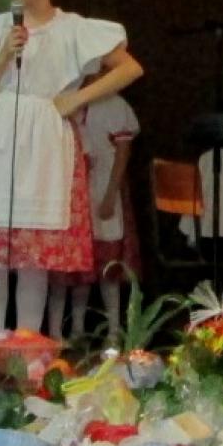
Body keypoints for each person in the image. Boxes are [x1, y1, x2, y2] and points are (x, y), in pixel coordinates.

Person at [0, 0, 143, 337]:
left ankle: (27, 349)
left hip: (45, 137)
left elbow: (130, 68)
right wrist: (4, 54)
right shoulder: (0, 26)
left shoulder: (72, 28)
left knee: (32, 256)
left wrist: (77, 98)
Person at [47, 81, 141, 344]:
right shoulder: (60, 100)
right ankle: (69, 331)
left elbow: (123, 151)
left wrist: (111, 194)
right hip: (69, 194)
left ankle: (113, 331)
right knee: (71, 269)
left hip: (102, 189)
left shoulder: (114, 104)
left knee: (107, 265)